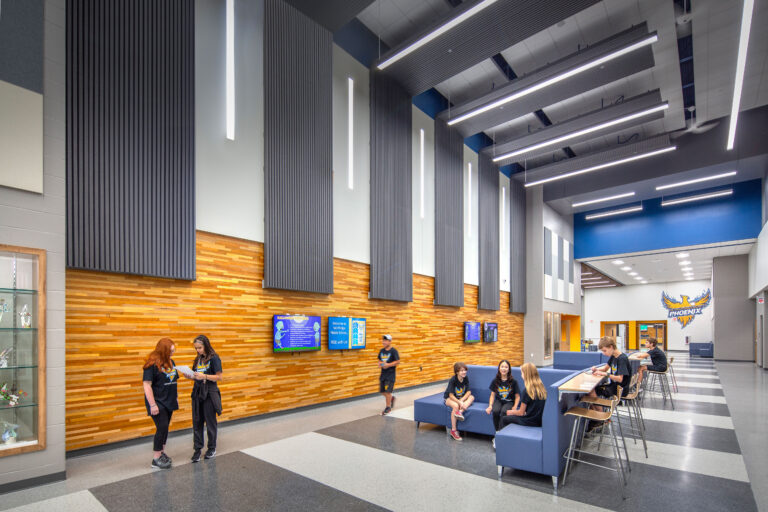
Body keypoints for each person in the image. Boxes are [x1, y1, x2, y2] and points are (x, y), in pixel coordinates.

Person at [142, 338, 179, 470]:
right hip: (157, 402)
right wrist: (152, 405)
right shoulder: (151, 364)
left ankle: (162, 452)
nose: (173, 353)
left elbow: (174, 381)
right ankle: (156, 458)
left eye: (173, 351)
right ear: (163, 350)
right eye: (170, 351)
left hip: (169, 400)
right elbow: (147, 385)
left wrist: (176, 397)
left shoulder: (171, 362)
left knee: (166, 428)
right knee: (161, 427)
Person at [185, 335, 223, 462]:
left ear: (206, 346)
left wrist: (204, 376)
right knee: (197, 422)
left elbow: (219, 377)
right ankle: (197, 449)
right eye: (196, 348)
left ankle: (211, 448)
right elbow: (197, 376)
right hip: (197, 393)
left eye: (200, 348)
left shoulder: (214, 358)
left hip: (209, 394)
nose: (198, 350)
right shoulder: (198, 359)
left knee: (210, 422)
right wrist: (190, 376)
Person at [499, 363, 547, 428]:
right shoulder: (541, 388)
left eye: (522, 373)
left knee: (504, 418)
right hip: (539, 421)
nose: (521, 375)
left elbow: (521, 413)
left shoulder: (527, 390)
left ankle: (499, 436)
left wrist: (510, 411)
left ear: (525, 374)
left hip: (529, 421)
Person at [588, 336, 632, 401]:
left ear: (611, 347)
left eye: (604, 351)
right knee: (591, 391)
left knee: (591, 392)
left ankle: (600, 411)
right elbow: (605, 369)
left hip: (620, 389)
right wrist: (596, 369)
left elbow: (620, 379)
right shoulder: (613, 356)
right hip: (614, 386)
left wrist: (605, 374)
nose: (603, 353)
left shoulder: (622, 359)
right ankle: (597, 410)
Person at [485, 359, 520, 431]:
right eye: (502, 367)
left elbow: (517, 396)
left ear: (509, 369)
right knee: (495, 411)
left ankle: (501, 432)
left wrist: (515, 407)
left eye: (506, 367)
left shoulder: (513, 381)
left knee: (504, 411)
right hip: (499, 401)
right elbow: (492, 395)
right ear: (499, 368)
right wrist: (490, 406)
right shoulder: (495, 380)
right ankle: (497, 431)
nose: (504, 369)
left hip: (509, 402)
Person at [444, 362, 474, 441]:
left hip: (460, 398)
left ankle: (460, 412)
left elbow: (469, 392)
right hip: (449, 399)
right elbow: (450, 395)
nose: (464, 372)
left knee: (472, 397)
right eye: (461, 371)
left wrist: (462, 400)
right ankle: (453, 430)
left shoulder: (466, 378)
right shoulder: (453, 380)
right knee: (456, 406)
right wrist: (459, 402)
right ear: (457, 372)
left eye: (465, 370)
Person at [378, 334, 400, 415]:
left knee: (387, 392)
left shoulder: (393, 351)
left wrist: (388, 365)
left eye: (386, 340)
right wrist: (380, 364)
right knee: (382, 391)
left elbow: (397, 361)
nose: (384, 342)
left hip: (390, 375)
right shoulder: (381, 351)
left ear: (390, 341)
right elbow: (380, 360)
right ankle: (391, 398)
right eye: (383, 340)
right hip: (383, 375)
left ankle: (388, 407)